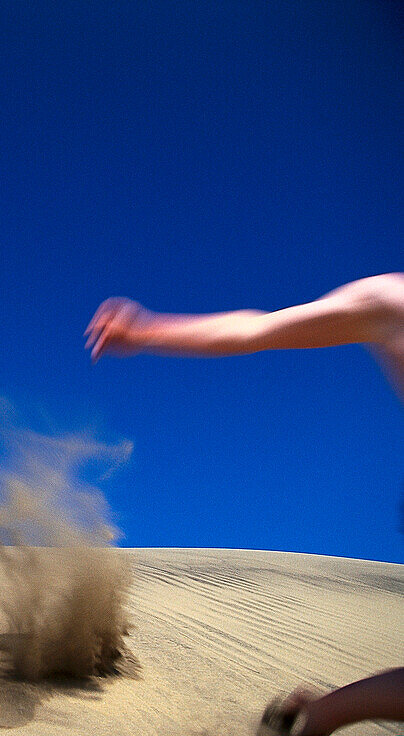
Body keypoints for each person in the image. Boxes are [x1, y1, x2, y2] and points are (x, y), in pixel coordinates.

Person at [85, 273, 404, 736]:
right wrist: (146, 331)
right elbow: (258, 329)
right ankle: (327, 714)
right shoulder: (389, 299)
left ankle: (326, 714)